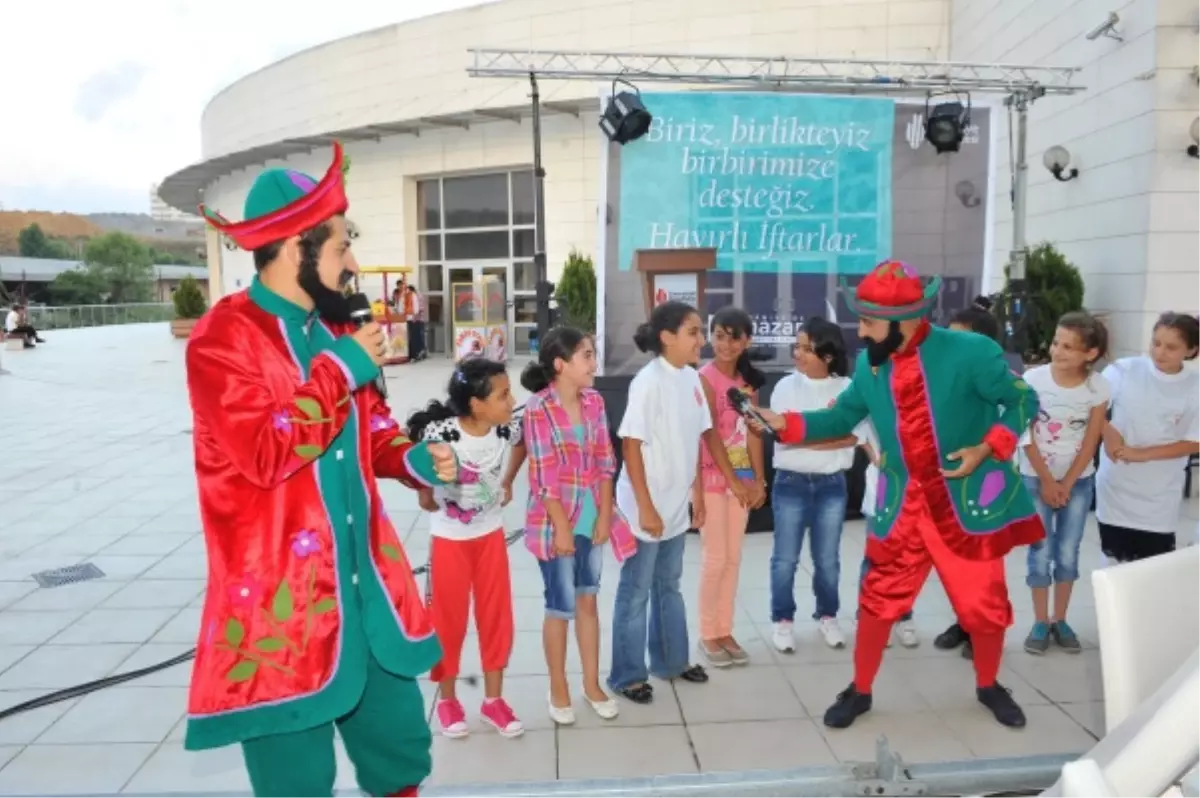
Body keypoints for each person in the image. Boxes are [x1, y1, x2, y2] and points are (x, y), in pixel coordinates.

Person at [187, 142, 457, 798]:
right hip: (285, 613)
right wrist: (342, 370)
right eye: (340, 248)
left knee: (401, 755)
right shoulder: (223, 341)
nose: (354, 265)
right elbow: (264, 451)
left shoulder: (334, 334)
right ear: (291, 247)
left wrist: (418, 461)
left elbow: (377, 437)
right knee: (296, 782)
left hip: (368, 598)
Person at [752, 260, 1043, 730]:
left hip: (963, 506)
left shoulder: (970, 352)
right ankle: (861, 689)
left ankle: (988, 684)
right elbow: (840, 417)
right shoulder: (871, 367)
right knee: (877, 600)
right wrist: (787, 423)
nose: (861, 333)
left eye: (867, 322)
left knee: (984, 607)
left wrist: (988, 447)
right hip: (903, 509)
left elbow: (1023, 399)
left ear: (900, 320)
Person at [519, 326, 635, 724]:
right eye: (586, 355)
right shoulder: (538, 409)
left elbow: (606, 460)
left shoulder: (595, 403)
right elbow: (542, 474)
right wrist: (562, 527)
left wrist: (603, 514)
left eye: (592, 354)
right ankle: (558, 687)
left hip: (591, 516)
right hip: (555, 524)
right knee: (560, 606)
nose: (594, 363)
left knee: (588, 598)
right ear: (560, 364)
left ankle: (591, 683)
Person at [408, 358, 525, 739]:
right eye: (504, 394)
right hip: (449, 541)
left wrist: (506, 481)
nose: (512, 401)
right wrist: (426, 493)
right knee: (448, 622)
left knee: (496, 618)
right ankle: (447, 700)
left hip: (490, 537)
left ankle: (493, 701)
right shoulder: (441, 433)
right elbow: (417, 469)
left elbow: (523, 443)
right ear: (477, 404)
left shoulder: (506, 429)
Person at [609, 300, 713, 704]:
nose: (700, 340)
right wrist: (645, 505)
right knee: (636, 591)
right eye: (694, 332)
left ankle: (671, 661)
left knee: (669, 584)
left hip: (674, 503)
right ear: (667, 337)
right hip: (645, 508)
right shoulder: (647, 382)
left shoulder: (691, 379)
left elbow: (698, 438)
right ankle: (627, 675)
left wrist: (697, 493)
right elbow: (630, 444)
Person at [769, 317, 876, 651]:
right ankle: (783, 620)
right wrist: (819, 437)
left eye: (805, 347)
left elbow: (852, 438)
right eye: (796, 346)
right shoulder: (785, 386)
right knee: (785, 559)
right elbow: (781, 436)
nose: (797, 353)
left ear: (827, 355)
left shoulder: (847, 388)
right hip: (789, 483)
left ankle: (827, 616)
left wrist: (804, 438)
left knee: (827, 559)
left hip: (832, 485)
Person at [1018, 312, 1109, 655]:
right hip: (1035, 478)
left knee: (1068, 552)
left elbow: (1091, 439)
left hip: (1078, 483)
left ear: (1090, 353)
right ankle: (1040, 621)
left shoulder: (1098, 386)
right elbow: (1024, 434)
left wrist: (1067, 483)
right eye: (1057, 343)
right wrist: (1047, 480)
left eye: (1069, 347)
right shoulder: (1033, 379)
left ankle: (1060, 618)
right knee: (1040, 551)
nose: (1058, 351)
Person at [1096, 312, 1200, 564]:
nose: (1159, 352)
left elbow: (1194, 441)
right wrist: (1110, 435)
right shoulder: (1124, 370)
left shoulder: (1195, 386)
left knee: (1150, 570)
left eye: (1171, 347)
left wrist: (1140, 454)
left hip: (1160, 495)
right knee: (1111, 569)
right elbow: (1093, 409)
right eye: (1156, 343)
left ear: (1192, 350)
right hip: (1115, 487)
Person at [934, 295, 1006, 658]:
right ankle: (965, 622)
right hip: (951, 480)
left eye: (959, 340)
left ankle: (985, 631)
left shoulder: (1000, 382)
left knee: (985, 563)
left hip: (987, 481)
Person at [696, 307, 762, 666]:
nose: (725, 344)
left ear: (746, 341)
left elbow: (753, 433)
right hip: (711, 477)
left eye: (733, 337)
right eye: (719, 335)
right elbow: (708, 435)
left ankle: (725, 629)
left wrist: (757, 479)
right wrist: (734, 481)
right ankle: (708, 633)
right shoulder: (703, 378)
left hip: (740, 480)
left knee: (734, 558)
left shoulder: (748, 383)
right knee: (715, 558)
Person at [405, 284, 427, 361]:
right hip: (414, 319)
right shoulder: (411, 296)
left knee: (419, 337)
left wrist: (414, 317)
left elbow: (419, 308)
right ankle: (419, 353)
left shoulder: (417, 296)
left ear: (411, 290)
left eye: (408, 291)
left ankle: (421, 353)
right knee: (417, 337)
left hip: (419, 320)